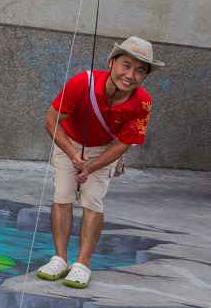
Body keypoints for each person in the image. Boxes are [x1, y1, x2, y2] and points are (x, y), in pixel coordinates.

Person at [36, 36, 162, 289]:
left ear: (145, 76)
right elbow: (51, 122)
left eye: (139, 71)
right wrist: (73, 154)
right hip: (69, 141)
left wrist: (89, 167)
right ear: (111, 62)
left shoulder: (143, 102)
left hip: (105, 148)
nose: (130, 75)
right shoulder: (82, 82)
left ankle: (82, 263)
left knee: (92, 199)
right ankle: (60, 258)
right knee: (63, 194)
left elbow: (124, 143)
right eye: (125, 65)